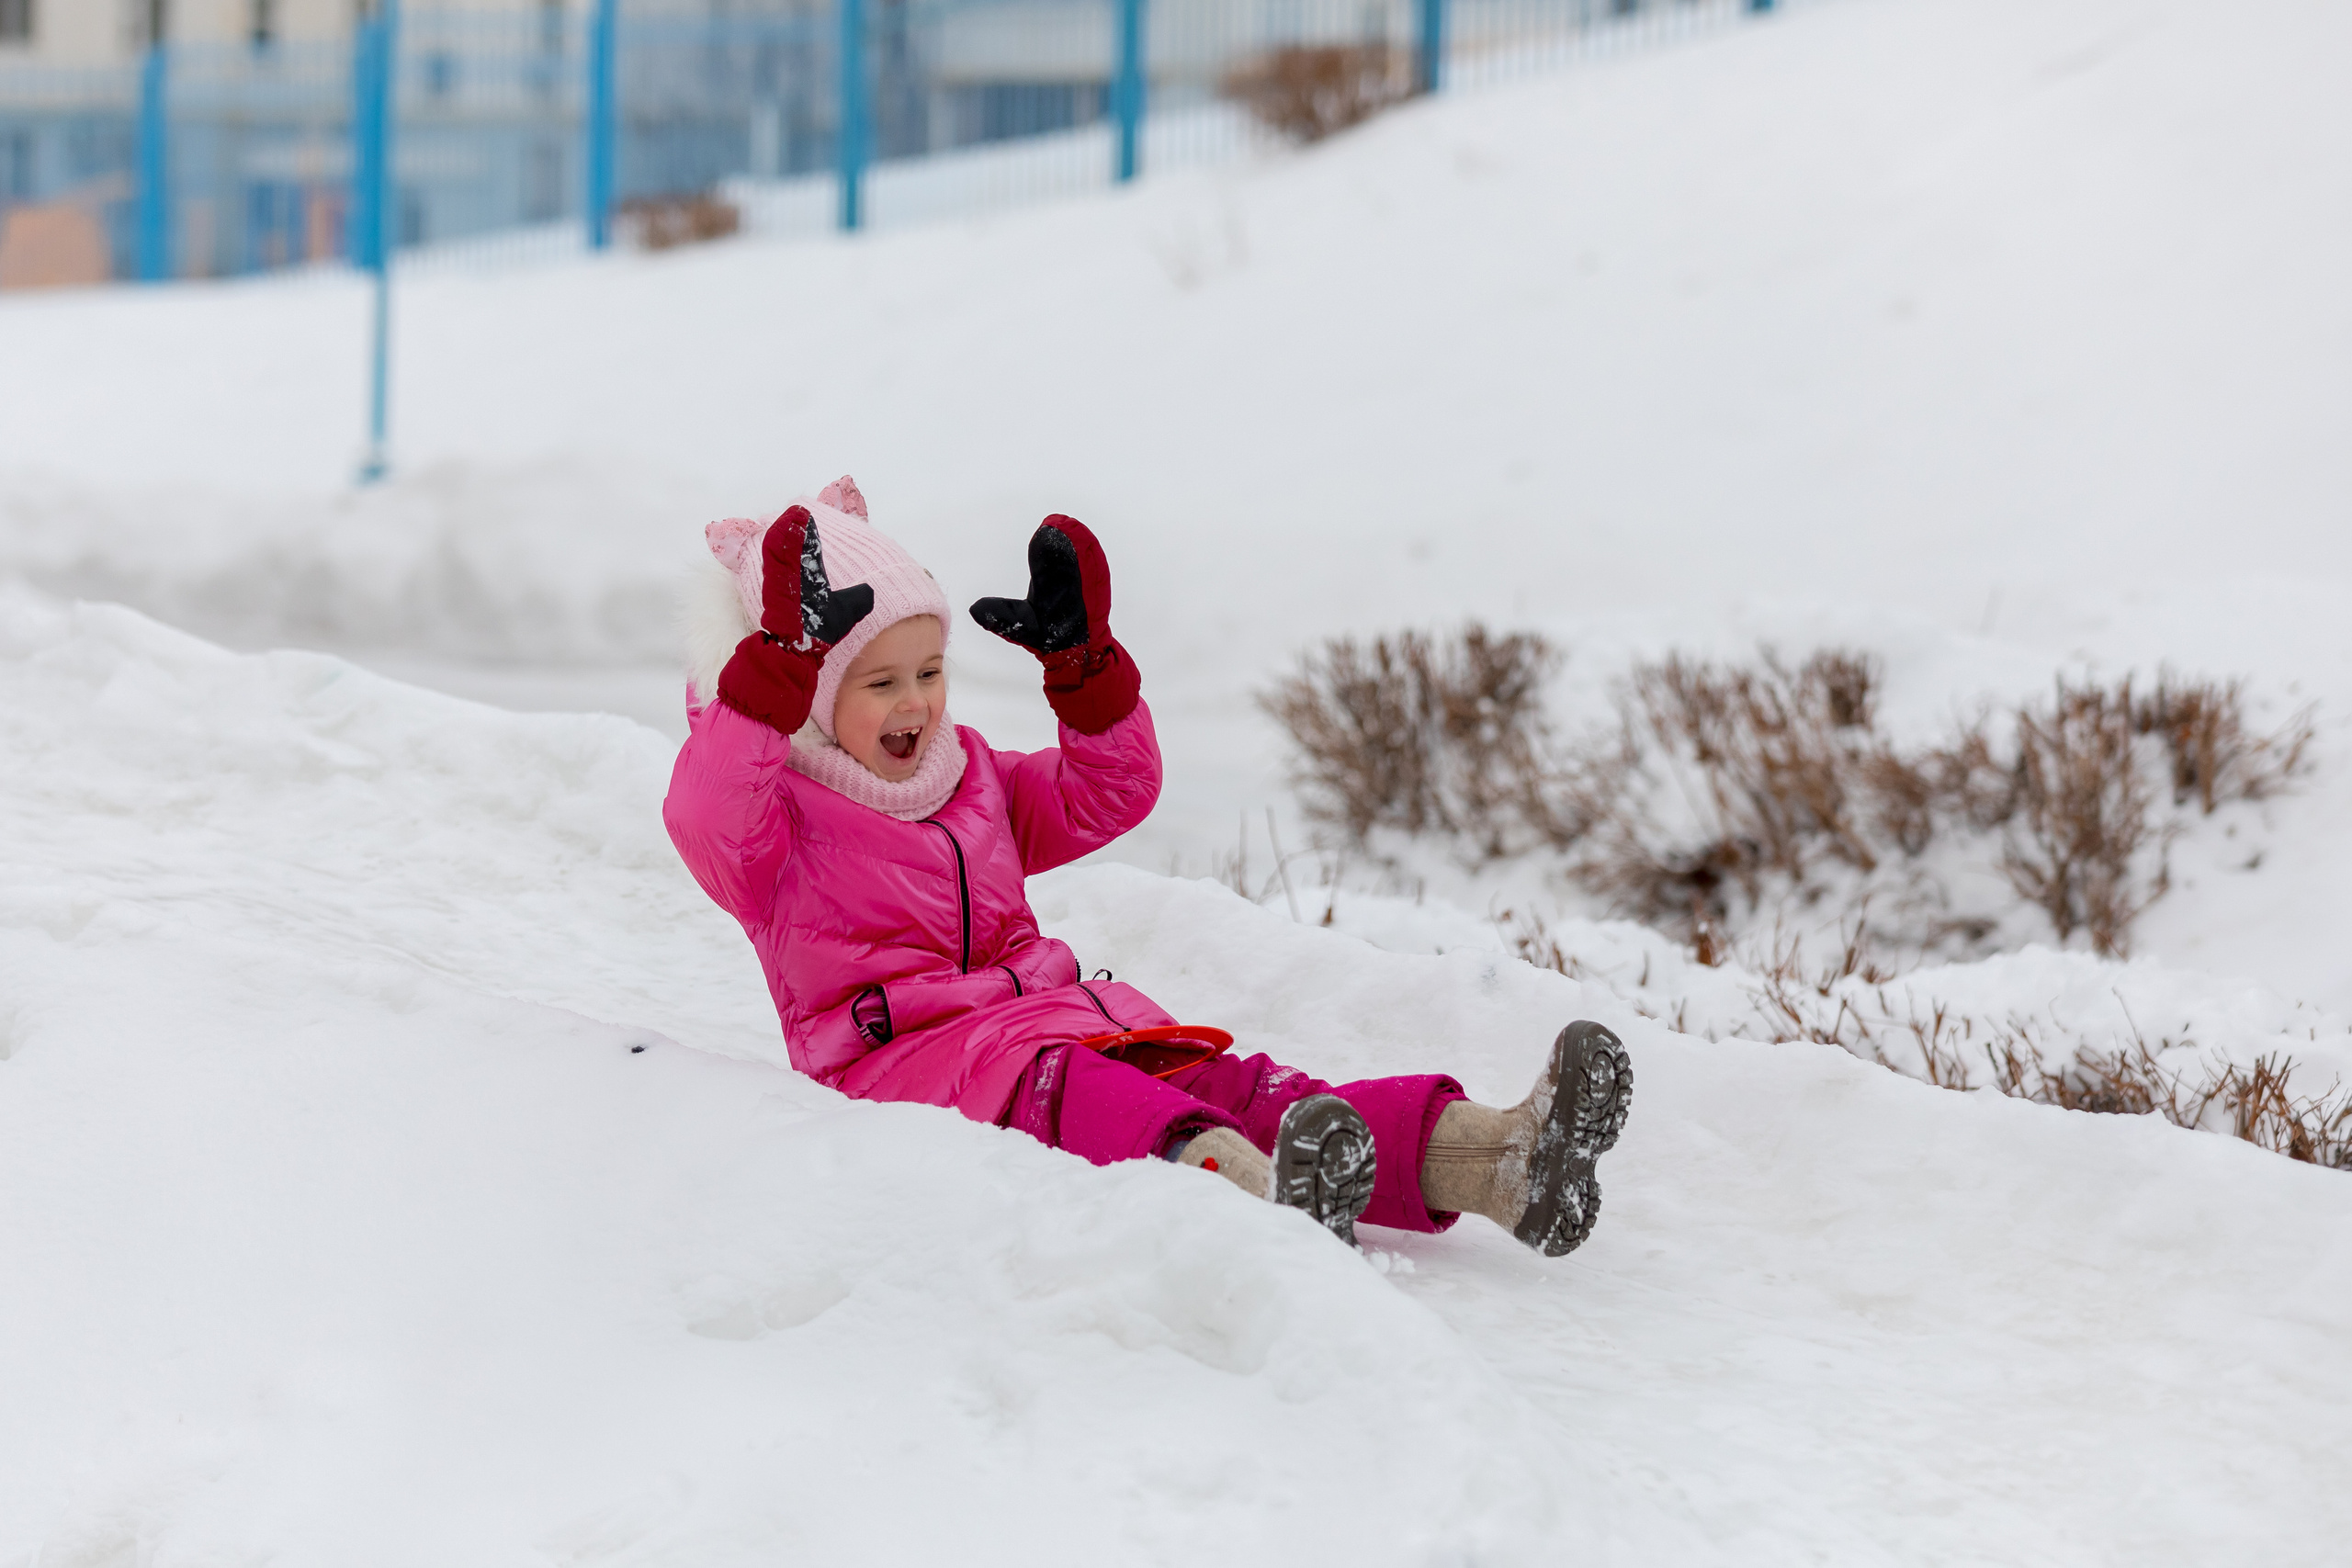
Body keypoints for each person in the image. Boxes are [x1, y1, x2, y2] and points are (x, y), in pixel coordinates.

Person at [662, 477, 1632, 1252]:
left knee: (1229, 1085)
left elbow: (1107, 793)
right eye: (880, 682)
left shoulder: (968, 778)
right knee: (1107, 1100)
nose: (915, 701)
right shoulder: (777, 828)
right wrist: (768, 676)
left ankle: (1499, 1158)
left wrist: (1083, 674)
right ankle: (1261, 1204)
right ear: (808, 695)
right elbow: (707, 814)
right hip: (909, 1072)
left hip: (1052, 1028)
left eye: (930, 671)